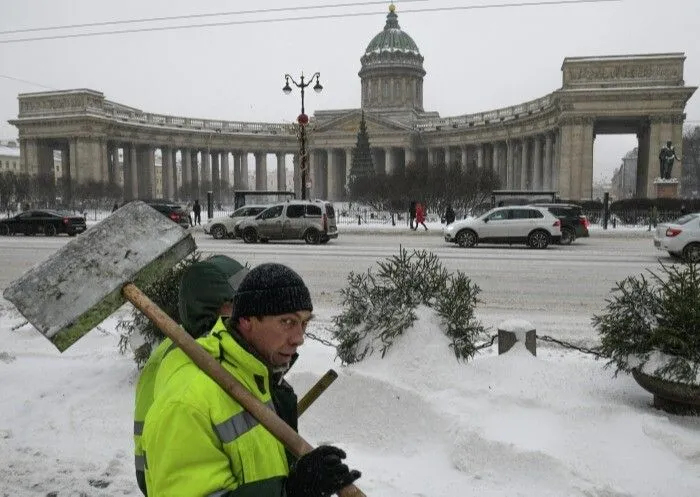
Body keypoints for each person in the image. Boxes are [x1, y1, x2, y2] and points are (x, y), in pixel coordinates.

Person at [141, 263, 361, 497]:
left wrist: (303, 472)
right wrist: (291, 491)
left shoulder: (260, 378)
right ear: (246, 320)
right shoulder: (186, 403)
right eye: (287, 321)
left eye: (304, 323)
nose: (299, 338)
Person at [133, 255, 249, 496]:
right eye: (237, 302)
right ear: (212, 307)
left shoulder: (226, 349)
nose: (249, 310)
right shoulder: (173, 363)